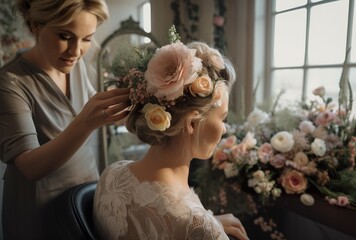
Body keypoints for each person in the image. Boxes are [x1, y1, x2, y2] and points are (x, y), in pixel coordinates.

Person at [93, 28, 249, 240]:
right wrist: (208, 229)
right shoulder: (198, 228)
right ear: (192, 123)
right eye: (222, 119)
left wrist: (210, 223)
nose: (224, 128)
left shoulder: (110, 176)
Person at [0, 0, 130, 239]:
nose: (76, 51)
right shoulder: (11, 82)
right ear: (35, 25)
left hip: (86, 197)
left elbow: (88, 102)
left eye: (87, 39)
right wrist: (87, 122)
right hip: (40, 212)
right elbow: (30, 167)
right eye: (65, 36)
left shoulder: (74, 64)